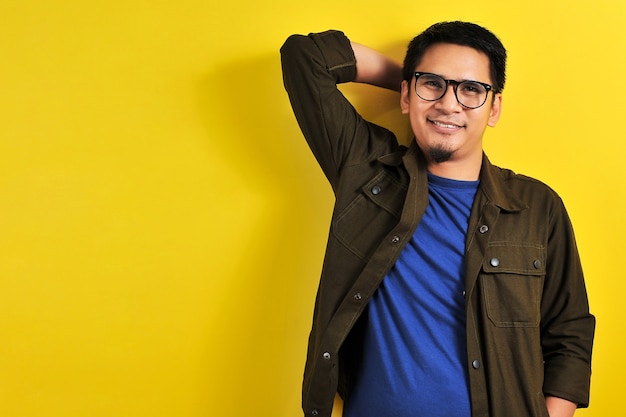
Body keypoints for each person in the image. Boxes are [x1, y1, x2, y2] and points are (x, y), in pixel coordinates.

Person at [280, 21, 595, 417]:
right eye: (433, 84)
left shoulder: (537, 206)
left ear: (494, 108)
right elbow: (304, 57)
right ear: (405, 95)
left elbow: (570, 334)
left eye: (471, 90)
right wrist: (414, 82)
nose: (449, 105)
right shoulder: (365, 170)